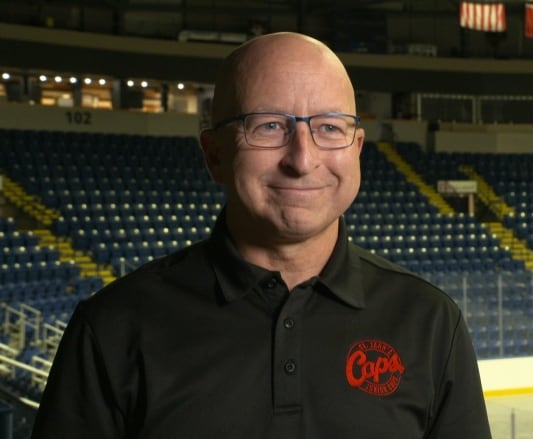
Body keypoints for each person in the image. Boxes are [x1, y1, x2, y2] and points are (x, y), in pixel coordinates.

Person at [32, 32, 492, 438]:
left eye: (329, 128)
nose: (302, 159)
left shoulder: (431, 322)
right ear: (213, 155)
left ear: (357, 151)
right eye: (269, 126)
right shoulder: (112, 327)